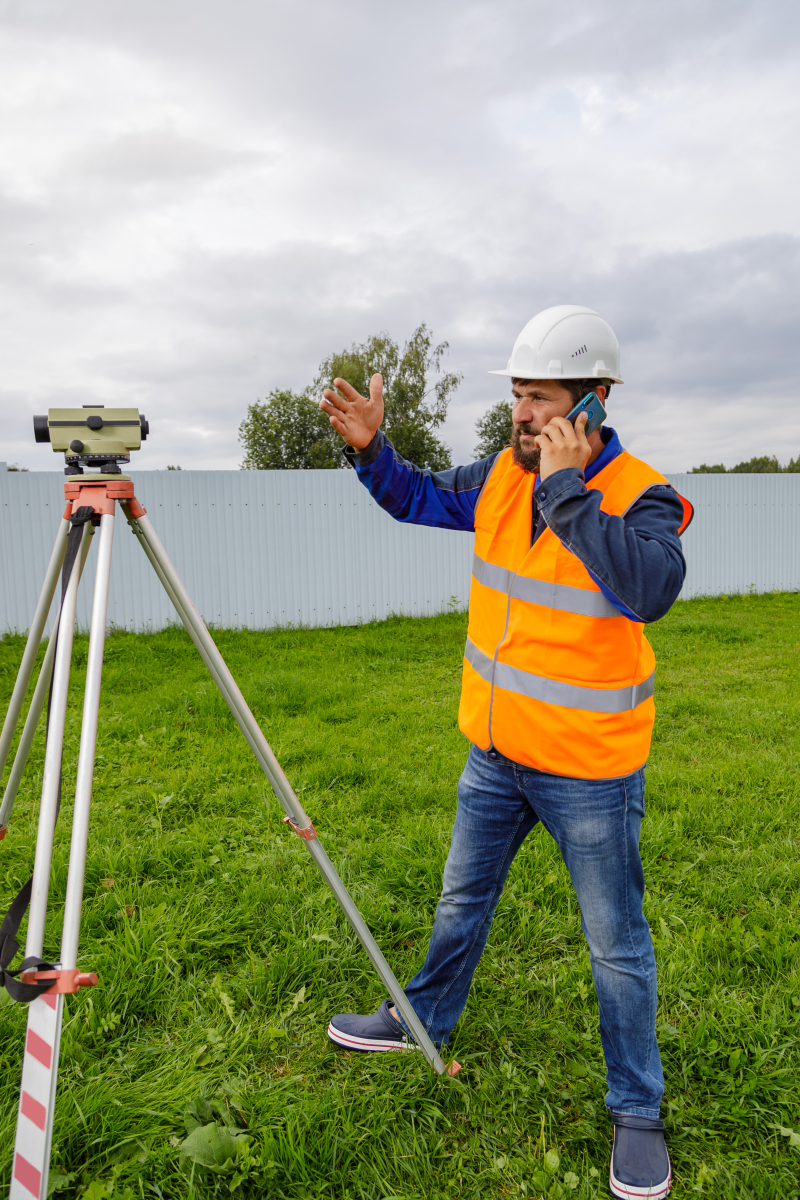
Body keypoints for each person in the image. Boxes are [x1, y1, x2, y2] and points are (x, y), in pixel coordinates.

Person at [318, 306, 692, 1200]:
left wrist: (566, 492)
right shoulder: (498, 476)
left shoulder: (641, 492)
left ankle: (638, 1110)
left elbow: (649, 589)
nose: (521, 416)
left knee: (616, 947)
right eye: (517, 397)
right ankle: (420, 1022)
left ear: (593, 406)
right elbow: (417, 497)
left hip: (590, 770)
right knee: (459, 903)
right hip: (497, 757)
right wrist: (374, 450)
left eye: (541, 400)